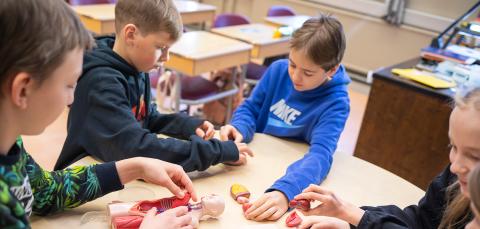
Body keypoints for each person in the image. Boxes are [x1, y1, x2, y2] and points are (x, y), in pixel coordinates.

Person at [0, 0, 197, 228]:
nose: (72, 99)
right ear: (23, 89)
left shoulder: (9, 142)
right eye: (68, 85)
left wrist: (135, 167)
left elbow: (44, 191)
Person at [54, 0, 253, 171]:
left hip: (115, 172)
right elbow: (137, 148)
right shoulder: (101, 82)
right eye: (160, 48)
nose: (166, 58)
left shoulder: (136, 66)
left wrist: (188, 125)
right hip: (83, 179)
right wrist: (215, 152)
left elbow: (146, 119)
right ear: (130, 34)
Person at [219, 15, 350, 221]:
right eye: (293, 64)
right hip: (256, 162)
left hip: (294, 172)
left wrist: (286, 192)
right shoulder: (278, 70)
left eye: (308, 72)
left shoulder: (337, 103)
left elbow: (320, 155)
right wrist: (239, 128)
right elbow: (251, 108)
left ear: (332, 70)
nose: (295, 77)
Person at [295, 84, 480, 229]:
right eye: (453, 147)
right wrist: (352, 223)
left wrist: (354, 215)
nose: (455, 166)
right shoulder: (455, 179)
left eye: (474, 157)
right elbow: (420, 221)